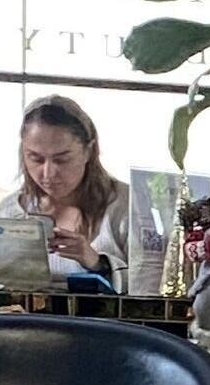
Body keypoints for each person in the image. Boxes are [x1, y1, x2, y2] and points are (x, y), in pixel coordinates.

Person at [13, 95, 131, 288]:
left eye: (62, 159)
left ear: (88, 151)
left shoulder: (126, 208)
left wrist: (96, 262)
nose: (48, 173)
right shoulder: (11, 212)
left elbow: (151, 286)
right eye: (36, 159)